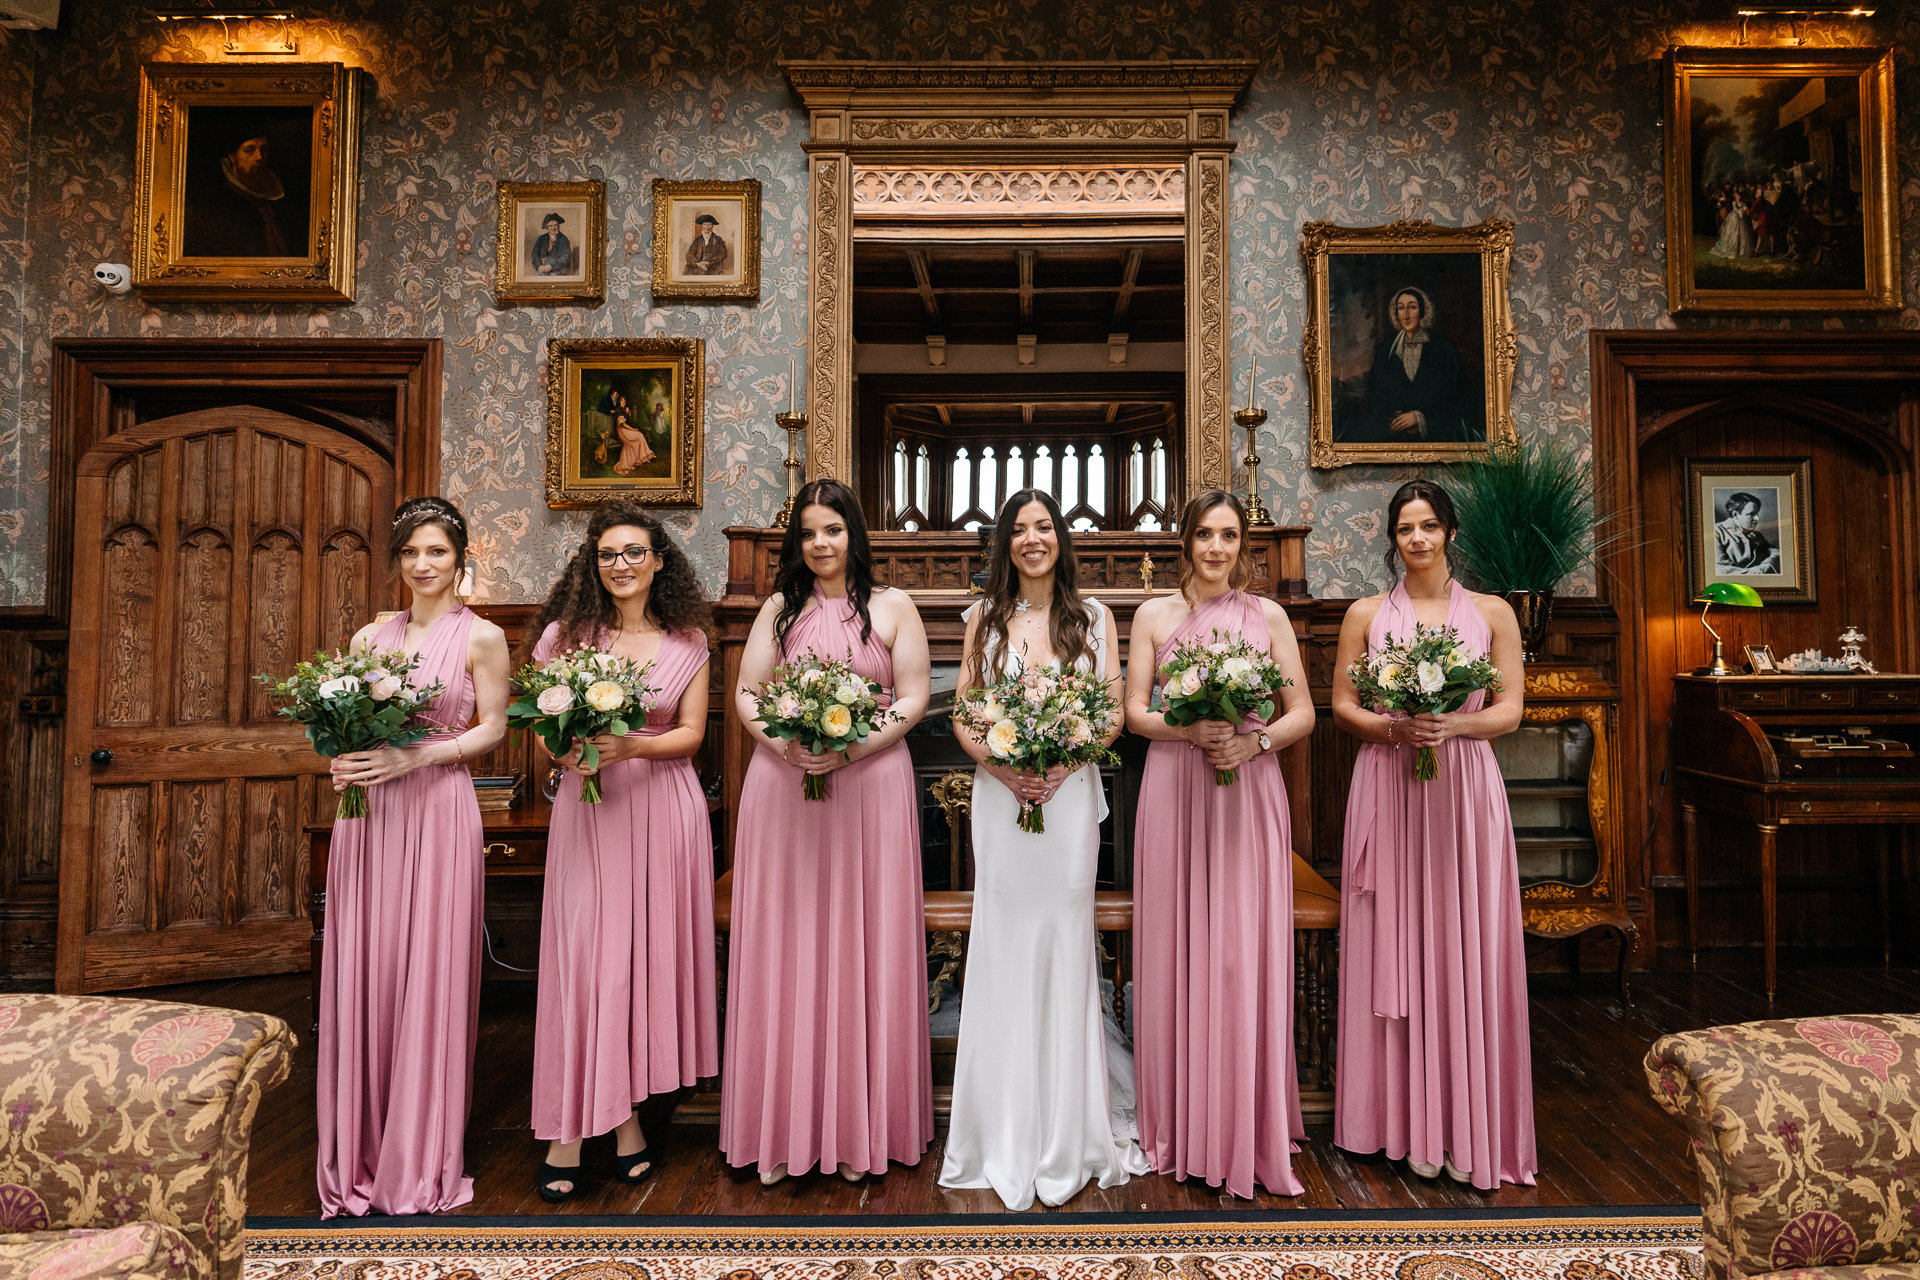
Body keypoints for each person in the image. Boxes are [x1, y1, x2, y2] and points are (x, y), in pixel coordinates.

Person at [940, 488, 1148, 1210]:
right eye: (1020, 530)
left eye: (1044, 527)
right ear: (1005, 543)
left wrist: (1063, 762)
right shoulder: (983, 619)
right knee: (1002, 944)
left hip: (1065, 801)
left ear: (1061, 538)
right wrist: (999, 764)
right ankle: (1000, 1125)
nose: (1033, 539)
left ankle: (1070, 1128)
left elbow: (1113, 711)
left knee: (1064, 943)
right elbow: (965, 710)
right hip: (1002, 800)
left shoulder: (1093, 617)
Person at [722, 478, 933, 1185]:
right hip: (785, 788)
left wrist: (850, 745)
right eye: (809, 532)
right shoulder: (779, 610)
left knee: (863, 939)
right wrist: (785, 743)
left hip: (870, 787)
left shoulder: (893, 607)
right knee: (790, 941)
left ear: (855, 535)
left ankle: (858, 1124)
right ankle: (782, 1124)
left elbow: (912, 698)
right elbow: (748, 692)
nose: (820, 543)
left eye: (833, 530)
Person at [1331, 479, 1535, 1191]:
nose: (1416, 539)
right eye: (1404, 528)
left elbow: (1509, 708)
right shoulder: (1364, 614)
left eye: (1428, 526)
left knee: (1462, 943)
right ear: (1392, 538)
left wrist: (1454, 725)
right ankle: (1392, 1124)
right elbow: (1341, 705)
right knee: (1391, 934)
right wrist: (1395, 727)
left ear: (1450, 532)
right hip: (1388, 785)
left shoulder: (1492, 613)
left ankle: (1461, 1120)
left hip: (1463, 790)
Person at [316, 496, 511, 1217]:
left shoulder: (483, 636)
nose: (423, 565)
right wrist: (347, 757)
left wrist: (415, 756)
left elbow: (493, 728)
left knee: (428, 968)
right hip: (369, 816)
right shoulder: (370, 636)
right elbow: (350, 721)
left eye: (436, 551)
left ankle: (419, 1153)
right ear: (397, 561)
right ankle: (361, 1149)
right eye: (410, 553)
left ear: (460, 558)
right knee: (368, 966)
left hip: (436, 807)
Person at [1125, 490, 1317, 1200]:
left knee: (1241, 951)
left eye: (1228, 536)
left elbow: (1302, 713)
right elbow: (1134, 712)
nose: (1215, 548)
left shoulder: (1267, 617)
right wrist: (1188, 730)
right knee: (1177, 947)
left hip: (1248, 788)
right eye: (1203, 534)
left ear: (1244, 546)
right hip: (1176, 789)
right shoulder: (1153, 615)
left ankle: (1246, 1115)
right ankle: (1179, 1117)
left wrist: (1253, 739)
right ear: (1185, 540)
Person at [525, 502, 718, 1203]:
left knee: (638, 968)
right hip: (590, 811)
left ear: (659, 560)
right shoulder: (563, 639)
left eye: (634, 552)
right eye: (608, 554)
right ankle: (577, 1125)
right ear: (592, 564)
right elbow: (542, 729)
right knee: (587, 966)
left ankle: (627, 1114)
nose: (621, 565)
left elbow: (693, 734)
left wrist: (632, 742)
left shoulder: (690, 639)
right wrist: (569, 750)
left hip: (663, 811)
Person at [1364, 287, 1474, 443]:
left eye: (1412, 307)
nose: (1406, 315)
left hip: (1436, 437)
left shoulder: (1444, 349)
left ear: (1423, 311)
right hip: (1393, 438)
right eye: (1401, 308)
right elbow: (1374, 396)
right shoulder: (1385, 351)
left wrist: (1421, 420)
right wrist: (1394, 420)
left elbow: (1461, 400)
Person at [184, 129, 295, 258]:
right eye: (249, 150)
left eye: (263, 149)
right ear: (232, 157)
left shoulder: (281, 202)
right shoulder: (213, 204)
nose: (259, 157)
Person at [1714, 491, 1780, 574]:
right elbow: (1722, 570)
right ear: (1735, 515)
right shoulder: (1716, 532)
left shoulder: (1756, 535)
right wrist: (1758, 572)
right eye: (1751, 514)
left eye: (1757, 513)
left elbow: (1776, 552)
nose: (1757, 519)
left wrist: (1766, 566)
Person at [608, 389, 655, 475]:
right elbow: (623, 425)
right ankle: (645, 456)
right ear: (619, 401)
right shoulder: (618, 410)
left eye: (625, 400)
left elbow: (629, 422)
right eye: (622, 400)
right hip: (622, 431)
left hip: (626, 430)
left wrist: (629, 414)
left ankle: (639, 459)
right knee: (639, 435)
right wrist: (633, 430)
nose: (624, 401)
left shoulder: (625, 409)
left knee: (638, 437)